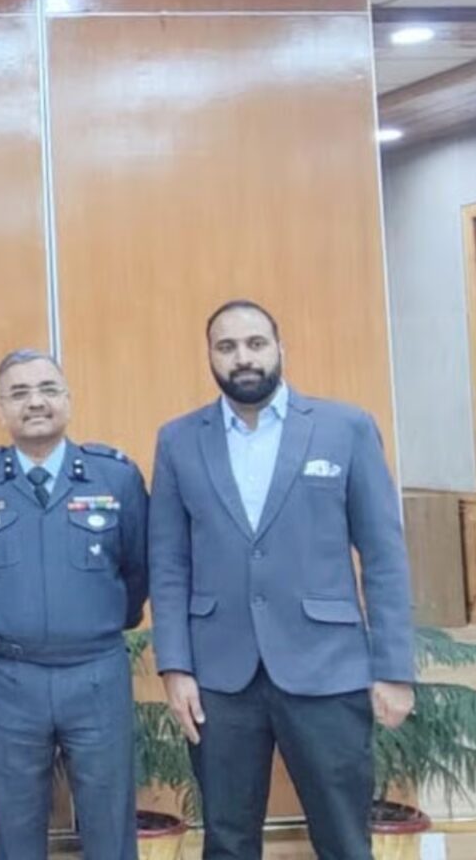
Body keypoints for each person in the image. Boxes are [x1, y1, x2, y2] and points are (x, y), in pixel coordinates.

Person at [149, 299, 416, 859]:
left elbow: (385, 556)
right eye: (226, 347)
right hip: (220, 680)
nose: (242, 358)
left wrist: (393, 669)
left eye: (255, 344)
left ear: (279, 350)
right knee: (226, 838)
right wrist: (175, 667)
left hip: (327, 668)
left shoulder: (346, 429)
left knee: (344, 837)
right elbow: (168, 563)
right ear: (210, 357)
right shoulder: (178, 440)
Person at [0, 348, 147, 860]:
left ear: (68, 400)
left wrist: (92, 626)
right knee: (14, 824)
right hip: (10, 676)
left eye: (47, 390)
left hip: (96, 671)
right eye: (18, 393)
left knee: (109, 821)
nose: (35, 403)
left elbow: (137, 569)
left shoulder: (116, 476)